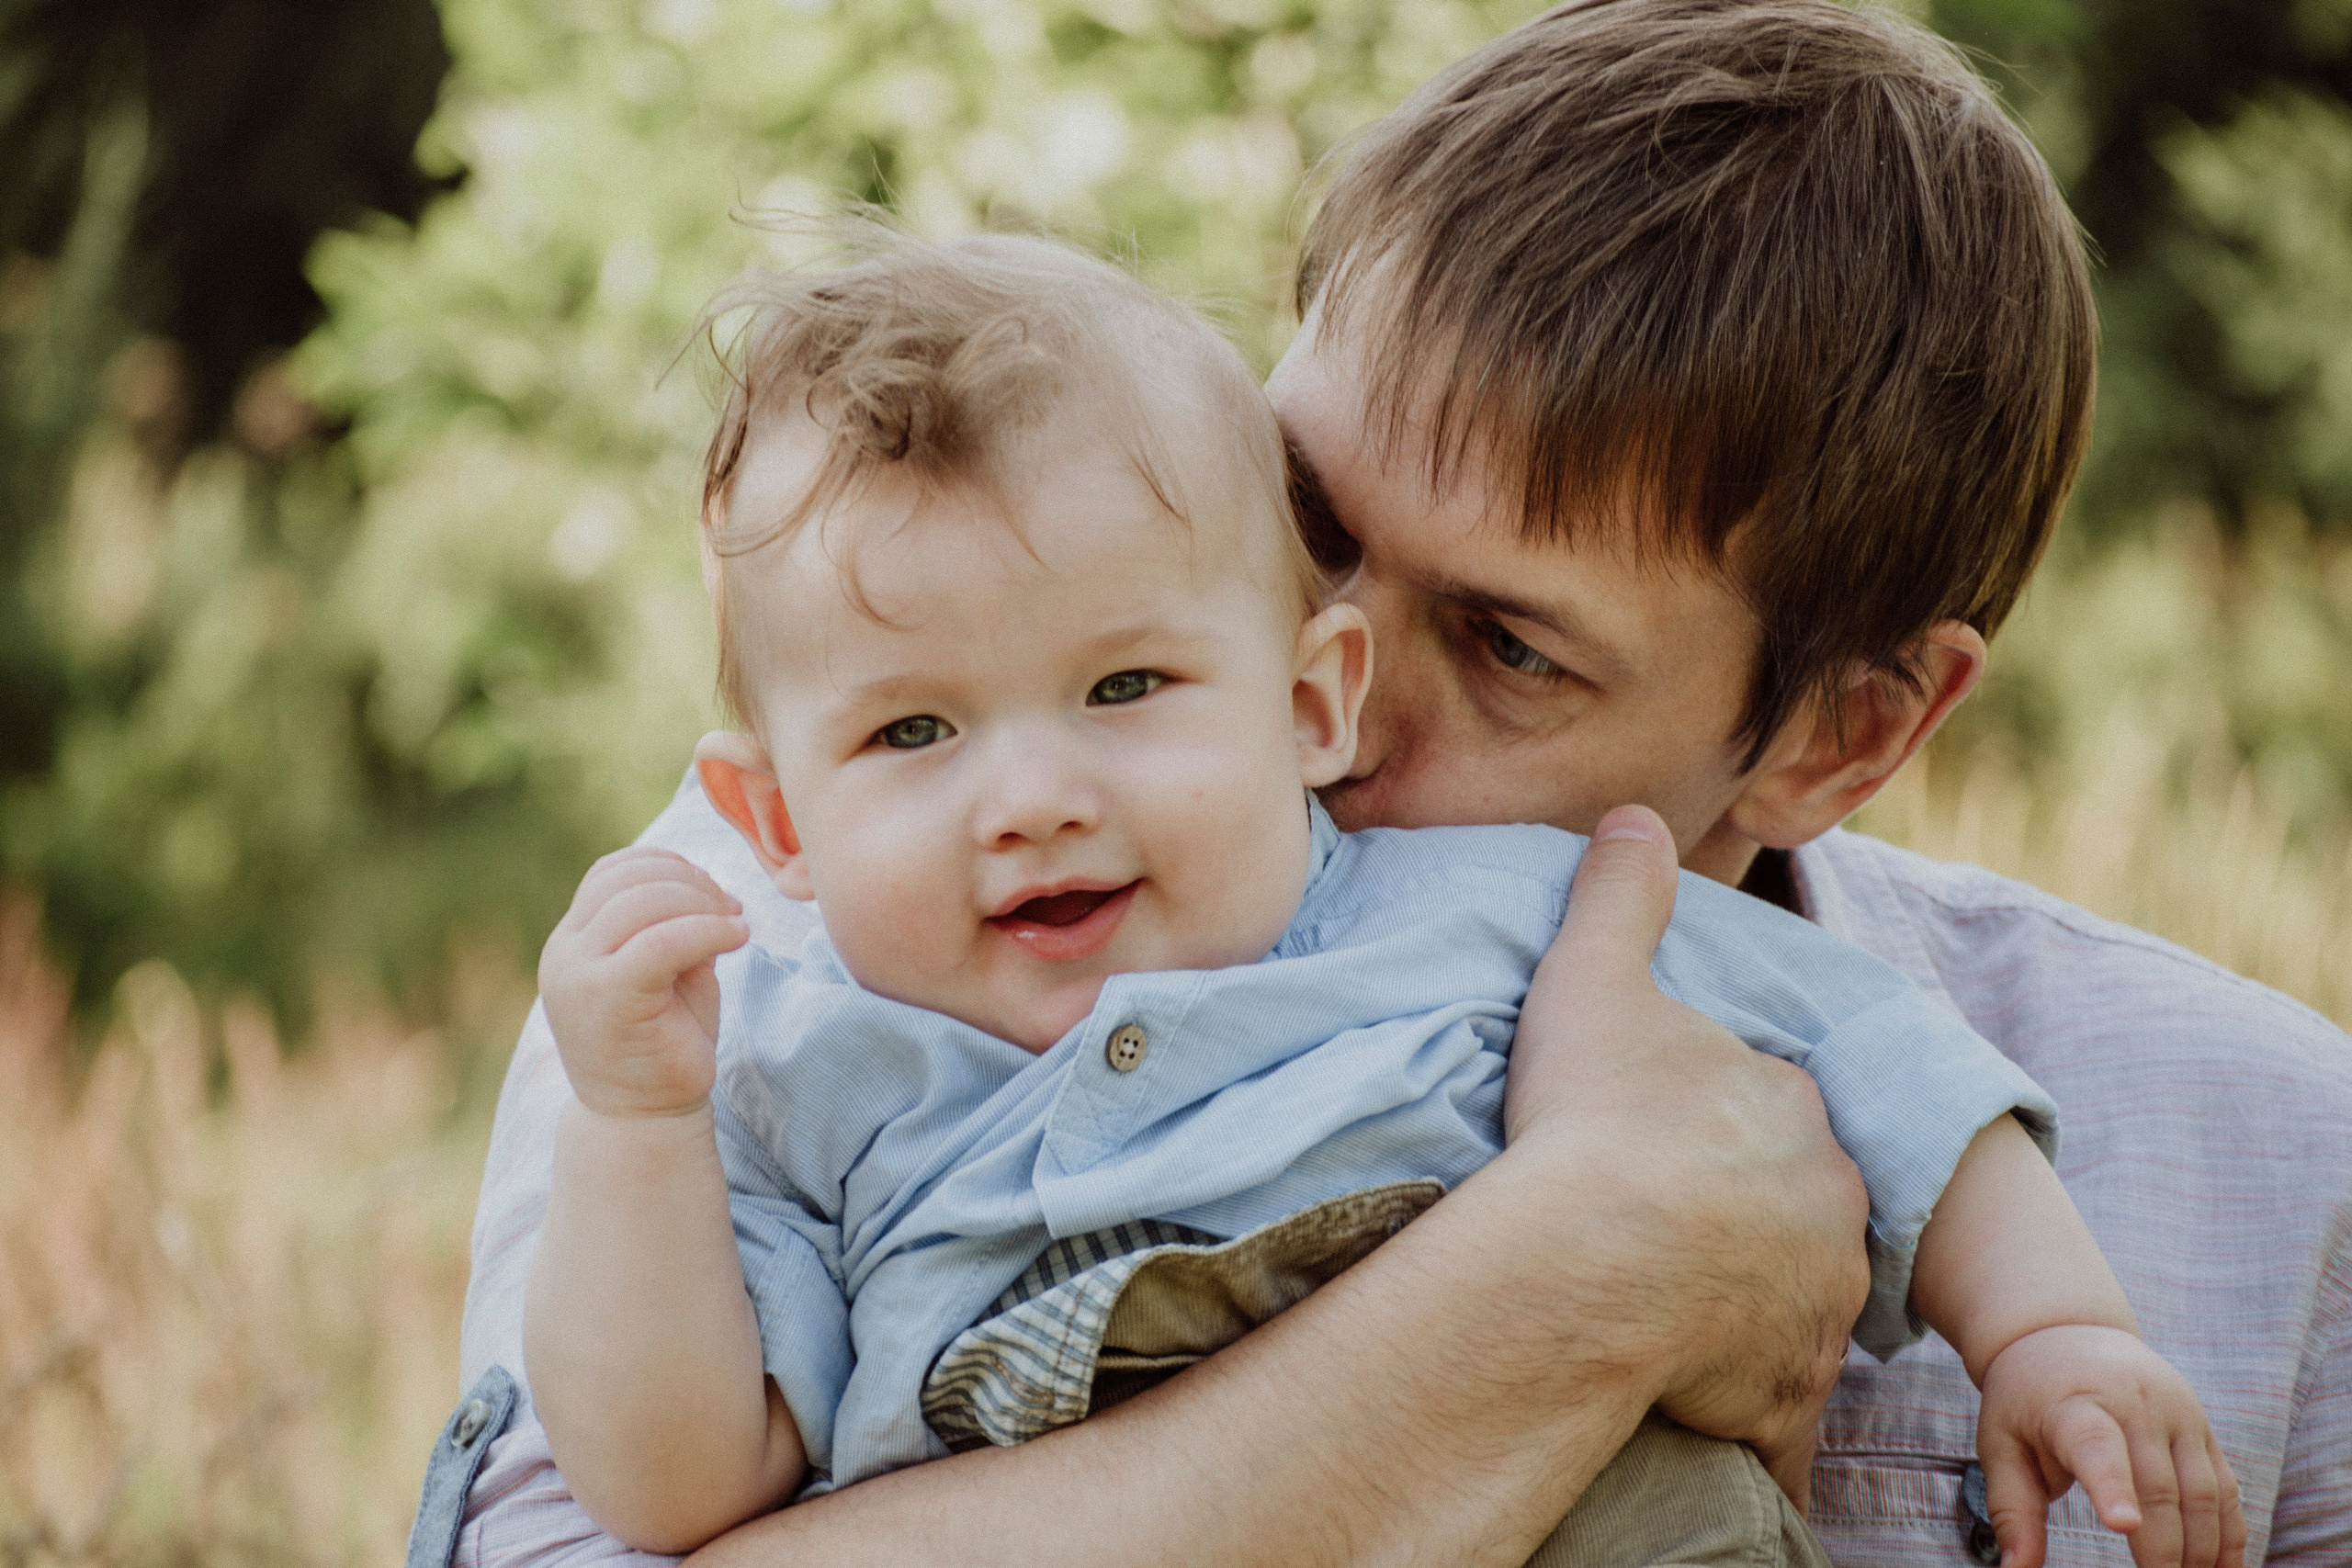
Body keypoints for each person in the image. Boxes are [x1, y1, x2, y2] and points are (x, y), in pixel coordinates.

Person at [412, 3, 2352, 1566]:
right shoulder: (766, 953)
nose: (1320, 699)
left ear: (1839, 731)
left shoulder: (2270, 1178)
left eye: (1508, 646)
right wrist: (1577, 1274)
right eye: (1310, 517)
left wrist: (2055, 1331)